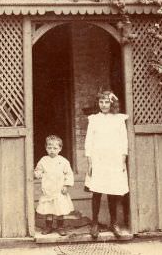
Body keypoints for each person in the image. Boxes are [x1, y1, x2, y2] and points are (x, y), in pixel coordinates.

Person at [84, 91, 128, 239]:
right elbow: (89, 140)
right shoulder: (94, 119)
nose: (103, 105)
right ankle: (95, 223)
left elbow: (123, 140)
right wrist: (90, 160)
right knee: (96, 191)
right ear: (98, 103)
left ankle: (114, 222)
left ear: (112, 103)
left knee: (113, 191)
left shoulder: (119, 119)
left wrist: (122, 160)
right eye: (101, 102)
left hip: (114, 158)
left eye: (107, 102)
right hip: (98, 158)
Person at [34, 134, 74, 236]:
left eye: (55, 148)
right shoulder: (44, 160)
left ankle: (60, 226)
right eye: (49, 148)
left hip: (59, 190)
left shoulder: (63, 161)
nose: (52, 150)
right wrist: (38, 174)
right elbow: (38, 170)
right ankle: (48, 226)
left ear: (60, 148)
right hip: (48, 189)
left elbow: (69, 174)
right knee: (49, 209)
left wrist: (66, 185)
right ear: (46, 148)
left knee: (59, 209)